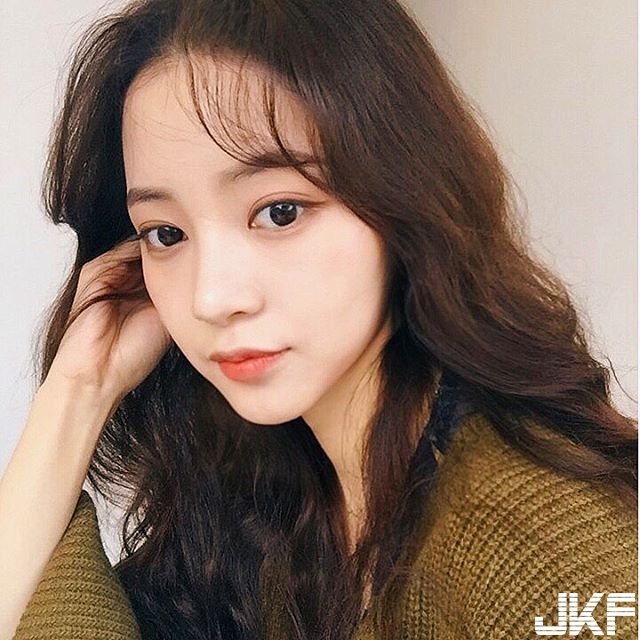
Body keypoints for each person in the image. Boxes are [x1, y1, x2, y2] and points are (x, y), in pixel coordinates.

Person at [0, 0, 637, 639]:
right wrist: (77, 392)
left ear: (404, 198)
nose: (212, 298)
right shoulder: (273, 506)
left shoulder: (539, 542)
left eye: (279, 212)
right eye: (166, 233)